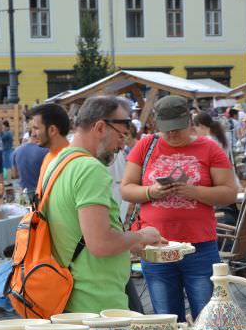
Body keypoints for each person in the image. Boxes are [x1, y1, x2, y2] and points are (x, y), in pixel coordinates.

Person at [121, 95, 237, 321]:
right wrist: (150, 192)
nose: (172, 135)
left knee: (208, 318)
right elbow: (126, 189)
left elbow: (229, 192)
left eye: (177, 129)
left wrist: (194, 192)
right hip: (157, 247)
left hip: (199, 247)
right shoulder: (146, 145)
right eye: (166, 130)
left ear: (189, 122)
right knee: (167, 318)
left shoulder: (209, 148)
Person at [43, 96, 163, 312]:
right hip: (96, 302)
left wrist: (129, 243)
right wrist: (141, 236)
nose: (121, 144)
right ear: (99, 127)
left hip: (70, 296)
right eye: (120, 135)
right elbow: (101, 243)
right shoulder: (90, 169)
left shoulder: (57, 163)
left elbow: (76, 231)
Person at [28, 103, 71, 191]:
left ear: (52, 130)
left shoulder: (72, 162)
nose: (32, 134)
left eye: (36, 128)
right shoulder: (48, 157)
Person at [11, 129, 48, 197]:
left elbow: (14, 175)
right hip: (41, 193)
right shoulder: (46, 151)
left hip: (24, 193)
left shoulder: (16, 151)